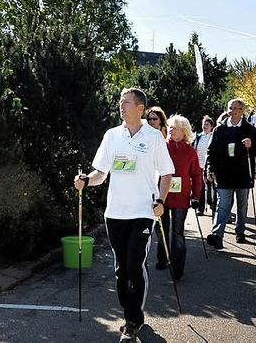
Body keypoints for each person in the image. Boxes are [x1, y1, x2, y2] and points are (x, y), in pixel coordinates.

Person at [73, 87, 174, 341]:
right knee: (121, 270)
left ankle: (132, 320)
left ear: (140, 107)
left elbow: (166, 173)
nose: (121, 106)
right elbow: (101, 173)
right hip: (115, 213)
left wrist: (161, 200)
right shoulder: (112, 136)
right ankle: (129, 312)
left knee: (134, 264)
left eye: (126, 102)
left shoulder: (153, 137)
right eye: (120, 102)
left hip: (143, 212)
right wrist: (86, 180)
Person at [205, 98, 256, 249]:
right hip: (224, 175)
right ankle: (217, 235)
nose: (233, 111)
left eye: (237, 108)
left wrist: (252, 145)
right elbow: (211, 152)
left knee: (242, 205)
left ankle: (240, 231)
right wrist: (210, 169)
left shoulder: (249, 129)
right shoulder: (219, 129)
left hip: (243, 174)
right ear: (227, 109)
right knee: (223, 205)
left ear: (242, 111)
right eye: (231, 108)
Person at [155, 114, 202, 278]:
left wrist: (196, 196)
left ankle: (177, 268)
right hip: (161, 197)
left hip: (181, 199)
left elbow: (196, 175)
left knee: (177, 233)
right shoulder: (162, 146)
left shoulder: (190, 151)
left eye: (175, 128)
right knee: (161, 230)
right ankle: (162, 258)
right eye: (170, 127)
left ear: (183, 131)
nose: (171, 130)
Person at [193, 115, 216, 215]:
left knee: (212, 188)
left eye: (207, 124)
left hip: (210, 167)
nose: (205, 126)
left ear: (211, 126)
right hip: (199, 166)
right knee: (201, 188)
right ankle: (201, 208)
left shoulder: (214, 136)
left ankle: (213, 206)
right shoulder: (198, 136)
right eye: (204, 124)